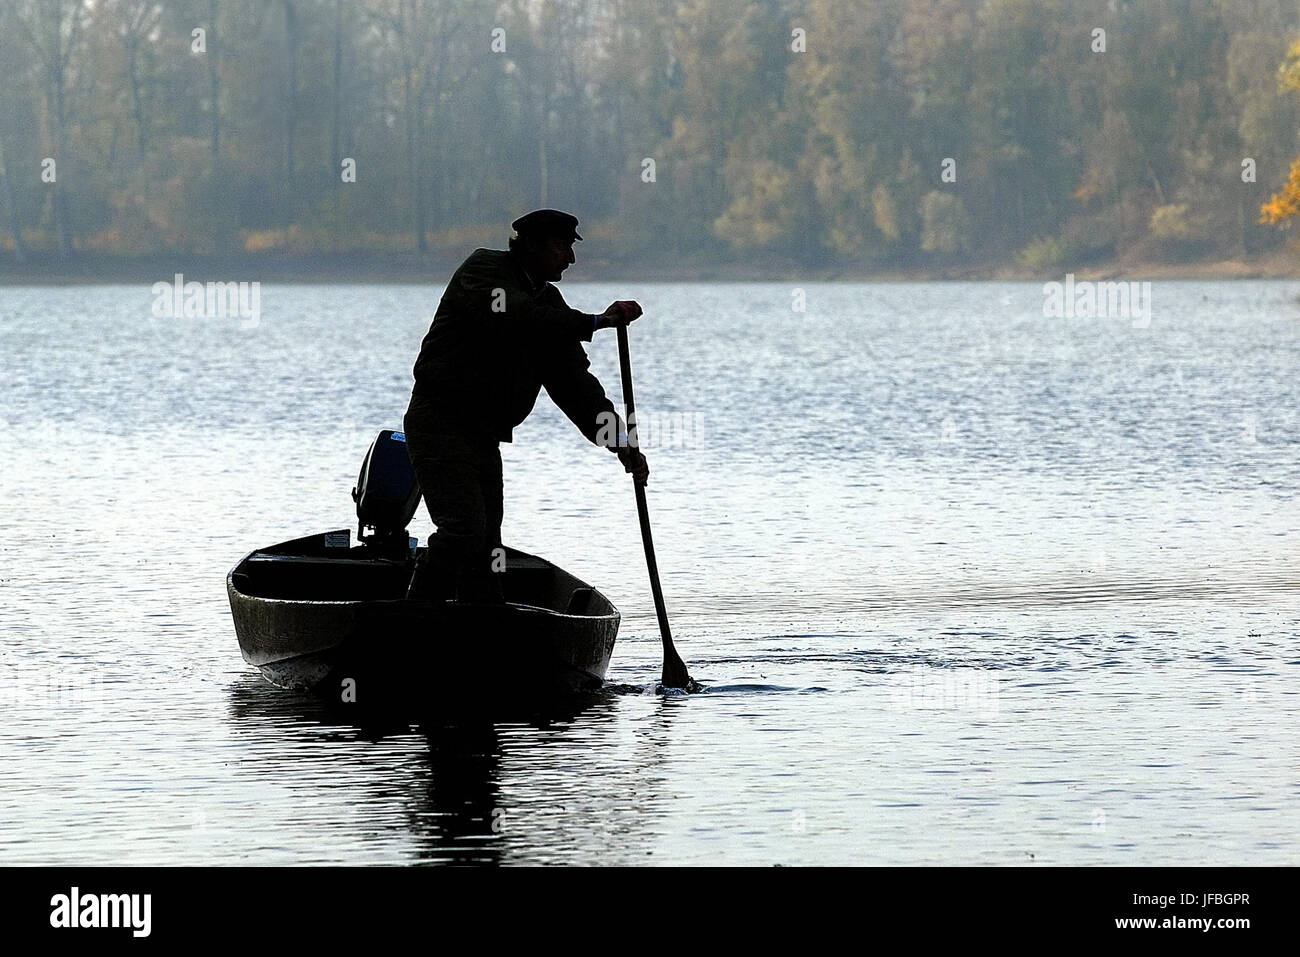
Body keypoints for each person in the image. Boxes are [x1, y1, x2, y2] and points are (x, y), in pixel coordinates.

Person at [403, 209, 649, 603]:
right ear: (531, 246)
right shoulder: (484, 272)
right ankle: (413, 618)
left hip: (483, 437)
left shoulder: (549, 306)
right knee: (464, 530)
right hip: (439, 424)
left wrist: (622, 443)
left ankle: (486, 622)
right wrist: (596, 322)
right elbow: (515, 315)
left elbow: (577, 389)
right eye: (562, 246)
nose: (570, 258)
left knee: (489, 548)